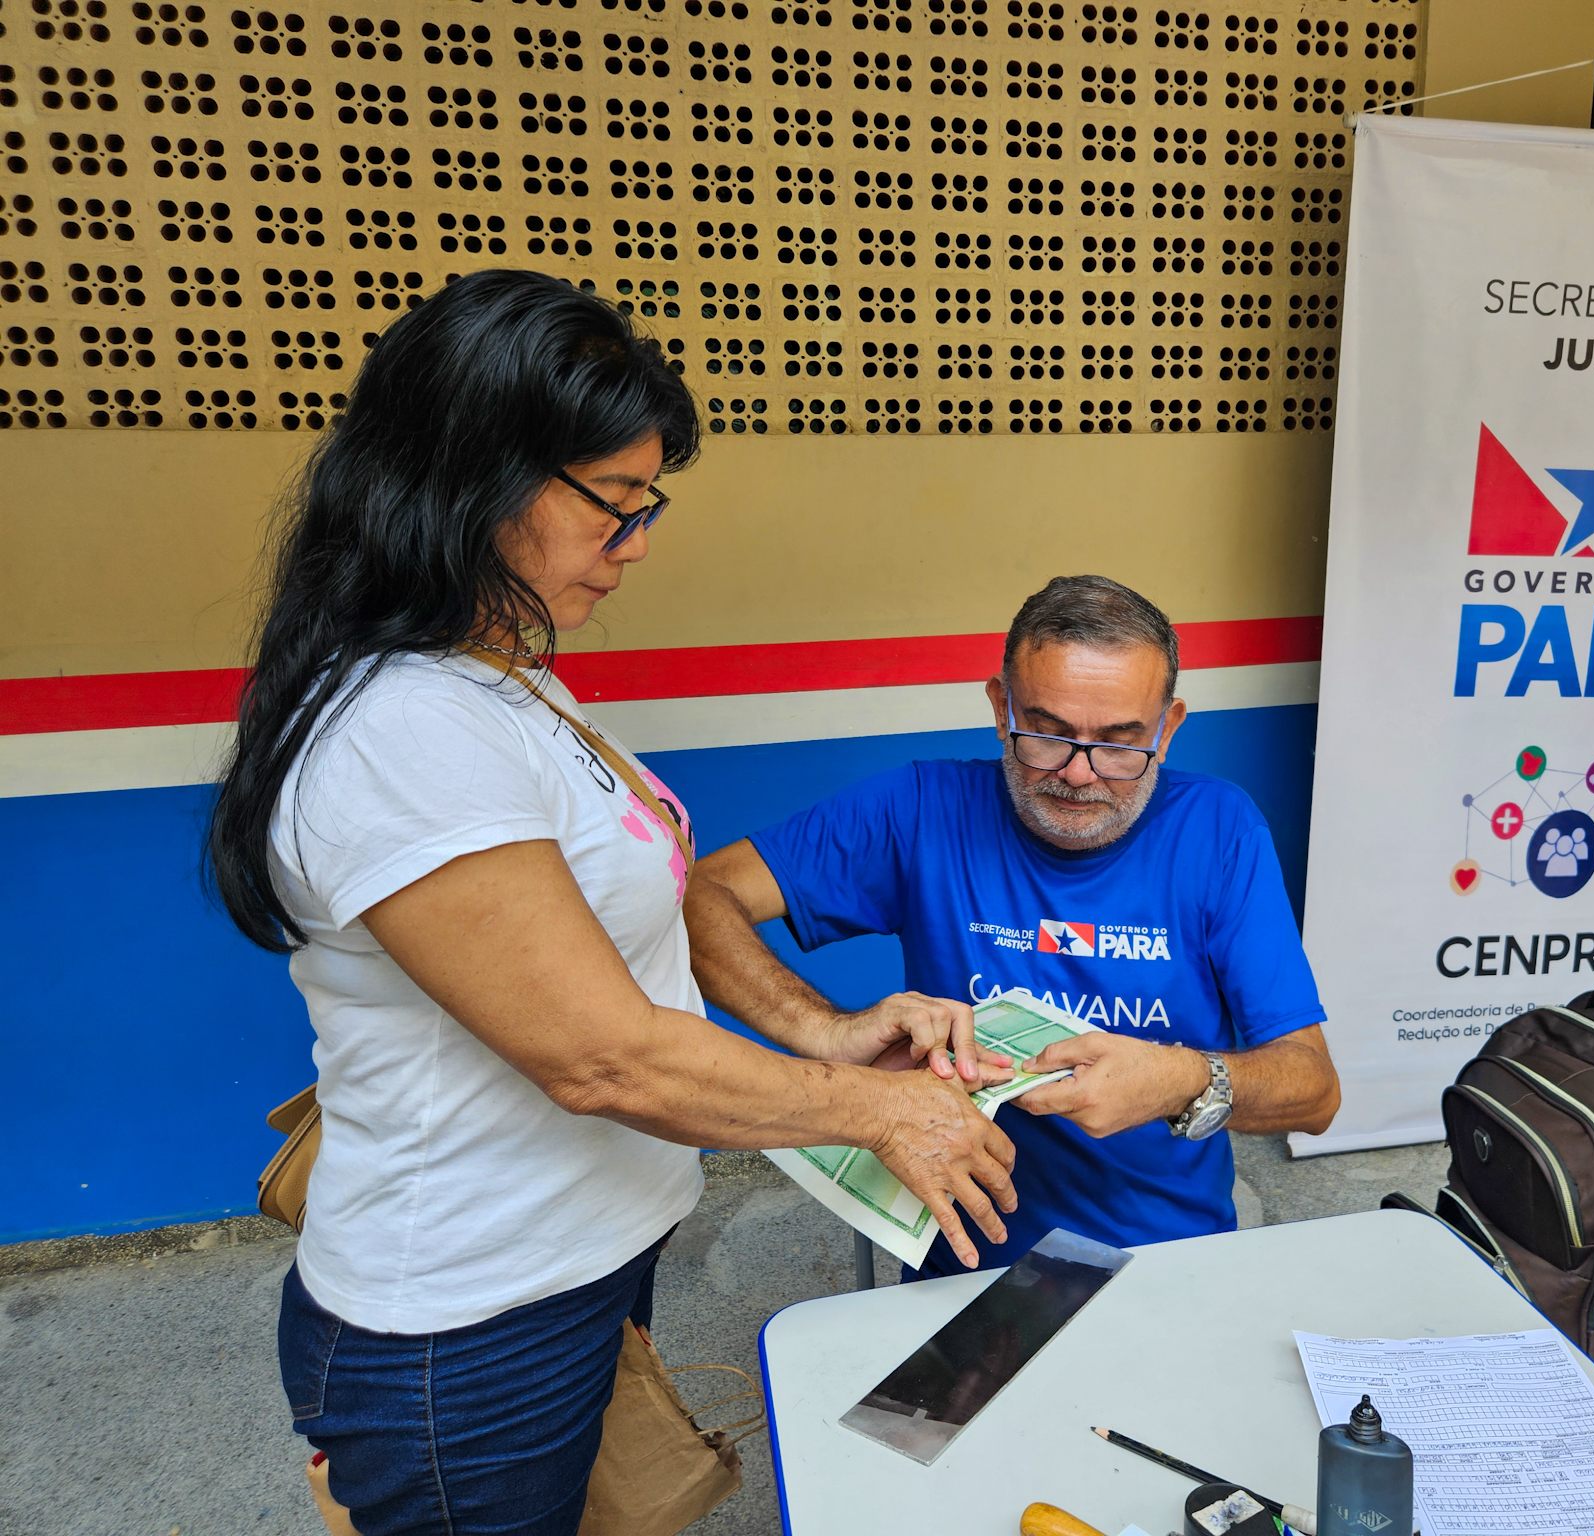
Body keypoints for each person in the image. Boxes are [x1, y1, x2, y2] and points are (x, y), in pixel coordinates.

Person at [204, 269, 1017, 1535]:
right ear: (469, 479)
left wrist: (821, 1032)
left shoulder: (503, 677)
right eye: (613, 503)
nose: (635, 543)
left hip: (573, 1269)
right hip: (467, 1327)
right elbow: (600, 1055)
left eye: (648, 503)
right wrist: (879, 1110)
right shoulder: (401, 729)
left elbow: (658, 906)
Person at [687, 575, 1342, 1279]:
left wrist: (1180, 1079)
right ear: (1001, 708)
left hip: (1165, 1258)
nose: (1080, 775)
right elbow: (698, 896)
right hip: (966, 1265)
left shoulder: (1219, 828)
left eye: (1120, 744)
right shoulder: (919, 808)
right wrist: (822, 1031)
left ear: (1168, 726)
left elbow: (1314, 1091)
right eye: (1049, 735)